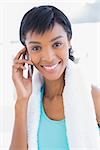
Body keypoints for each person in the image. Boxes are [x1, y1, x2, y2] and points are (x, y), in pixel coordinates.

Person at [9, 5, 100, 150]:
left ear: (69, 41)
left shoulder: (93, 97)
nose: (48, 57)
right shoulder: (28, 101)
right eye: (36, 48)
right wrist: (22, 100)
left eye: (57, 44)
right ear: (26, 52)